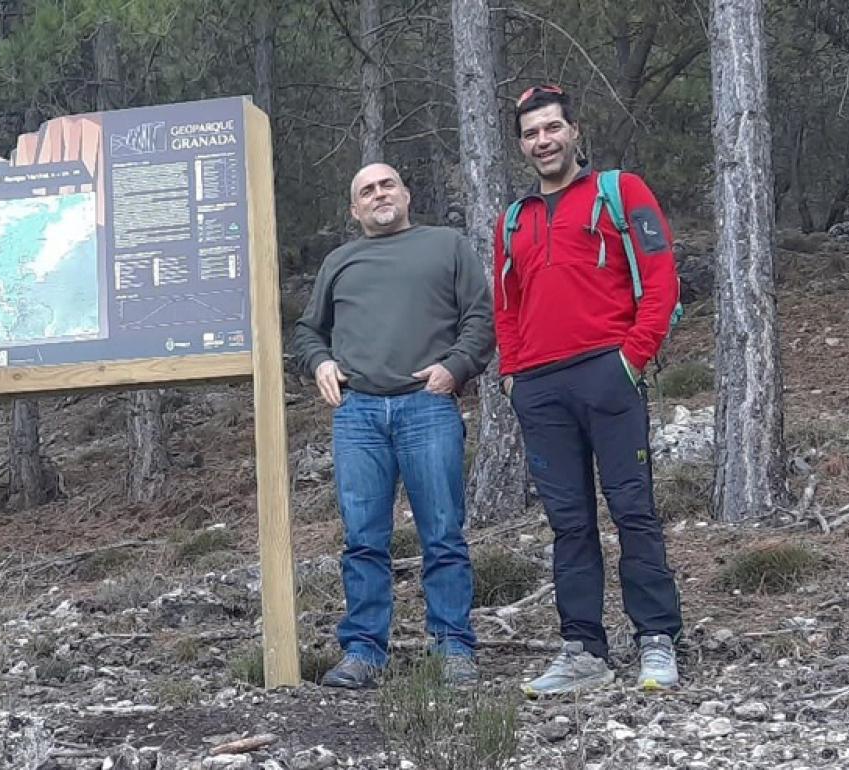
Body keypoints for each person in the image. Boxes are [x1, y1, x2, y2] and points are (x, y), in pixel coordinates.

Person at [494, 85, 683, 695]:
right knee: (568, 522)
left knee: (633, 510)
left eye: (552, 128)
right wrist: (513, 375)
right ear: (521, 145)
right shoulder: (514, 219)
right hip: (540, 389)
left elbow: (661, 279)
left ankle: (656, 640)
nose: (543, 141)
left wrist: (632, 359)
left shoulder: (621, 191)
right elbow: (506, 305)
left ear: (574, 131)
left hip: (608, 375)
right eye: (531, 134)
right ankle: (582, 651)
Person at [291, 163, 495, 689]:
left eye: (387, 185)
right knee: (363, 539)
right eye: (367, 190)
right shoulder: (340, 261)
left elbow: (480, 318)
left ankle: (453, 648)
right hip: (358, 413)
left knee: (443, 533)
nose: (379, 194)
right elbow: (308, 331)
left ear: (406, 194)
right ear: (354, 209)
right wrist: (320, 362)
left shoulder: (446, 245)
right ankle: (363, 652)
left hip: (427, 406)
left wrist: (455, 367)